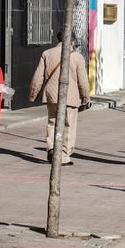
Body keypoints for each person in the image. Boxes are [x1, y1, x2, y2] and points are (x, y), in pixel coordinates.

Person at [29, 33, 90, 166]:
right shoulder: (77, 57)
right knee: (68, 125)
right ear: (72, 41)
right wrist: (85, 97)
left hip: (51, 95)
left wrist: (33, 94)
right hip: (70, 96)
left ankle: (51, 148)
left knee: (52, 122)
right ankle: (63, 155)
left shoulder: (47, 53)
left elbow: (38, 77)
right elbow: (83, 81)